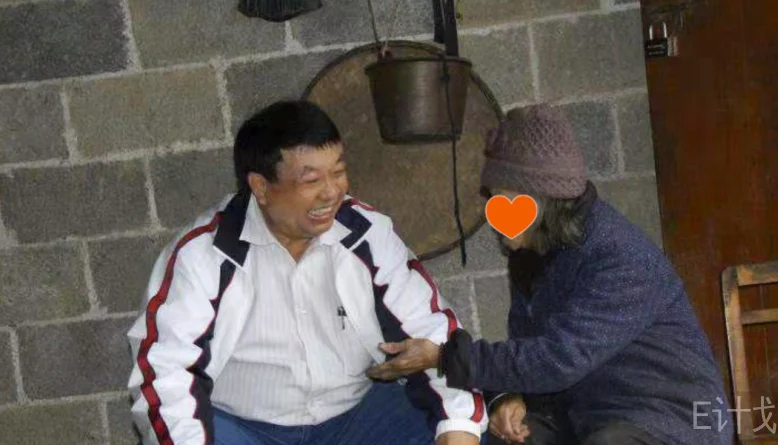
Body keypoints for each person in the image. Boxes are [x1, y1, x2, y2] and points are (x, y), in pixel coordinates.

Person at [366, 104, 734, 445]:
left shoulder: (619, 256)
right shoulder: (533, 250)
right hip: (587, 412)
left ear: (542, 202)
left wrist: (445, 357)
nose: (496, 215)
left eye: (507, 199)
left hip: (674, 417)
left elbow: (558, 360)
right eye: (493, 198)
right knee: (508, 437)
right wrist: (510, 397)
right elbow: (528, 345)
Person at [126, 100, 488, 445]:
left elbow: (430, 333)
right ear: (261, 187)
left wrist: (458, 429)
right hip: (242, 429)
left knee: (462, 428)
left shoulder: (367, 235)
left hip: (357, 421)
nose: (332, 192)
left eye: (339, 172)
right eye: (311, 180)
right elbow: (167, 371)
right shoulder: (204, 255)